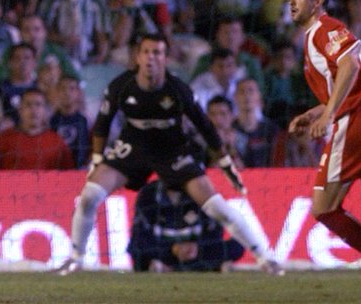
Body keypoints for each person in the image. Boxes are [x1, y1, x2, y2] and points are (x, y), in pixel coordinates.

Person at [60, 33, 281, 274]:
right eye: (146, 52)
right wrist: (97, 161)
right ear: (137, 56)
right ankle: (76, 258)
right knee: (89, 197)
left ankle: (265, 258)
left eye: (157, 53)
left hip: (172, 149)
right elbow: (102, 126)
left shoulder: (178, 90)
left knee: (217, 207)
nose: (151, 58)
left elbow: (205, 127)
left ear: (165, 58)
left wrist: (226, 163)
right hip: (132, 147)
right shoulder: (121, 86)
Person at [286, 0, 361, 253]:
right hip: (354, 114)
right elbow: (349, 82)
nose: (292, 2)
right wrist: (314, 112)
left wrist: (329, 114)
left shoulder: (325, 29)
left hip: (354, 121)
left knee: (324, 208)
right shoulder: (312, 37)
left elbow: (351, 64)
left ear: (317, 2)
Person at [127, 179, 245, 272]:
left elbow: (215, 234)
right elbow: (139, 237)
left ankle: (168, 269)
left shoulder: (203, 191)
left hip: (196, 253)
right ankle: (211, 267)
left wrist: (196, 247)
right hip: (164, 251)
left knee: (237, 246)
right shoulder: (148, 194)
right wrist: (173, 250)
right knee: (136, 250)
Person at [0, 88, 75, 170]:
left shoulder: (56, 141)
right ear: (20, 110)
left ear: (45, 111)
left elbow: (69, 176)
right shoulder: (3, 138)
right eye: (28, 105)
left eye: (38, 105)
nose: (33, 110)